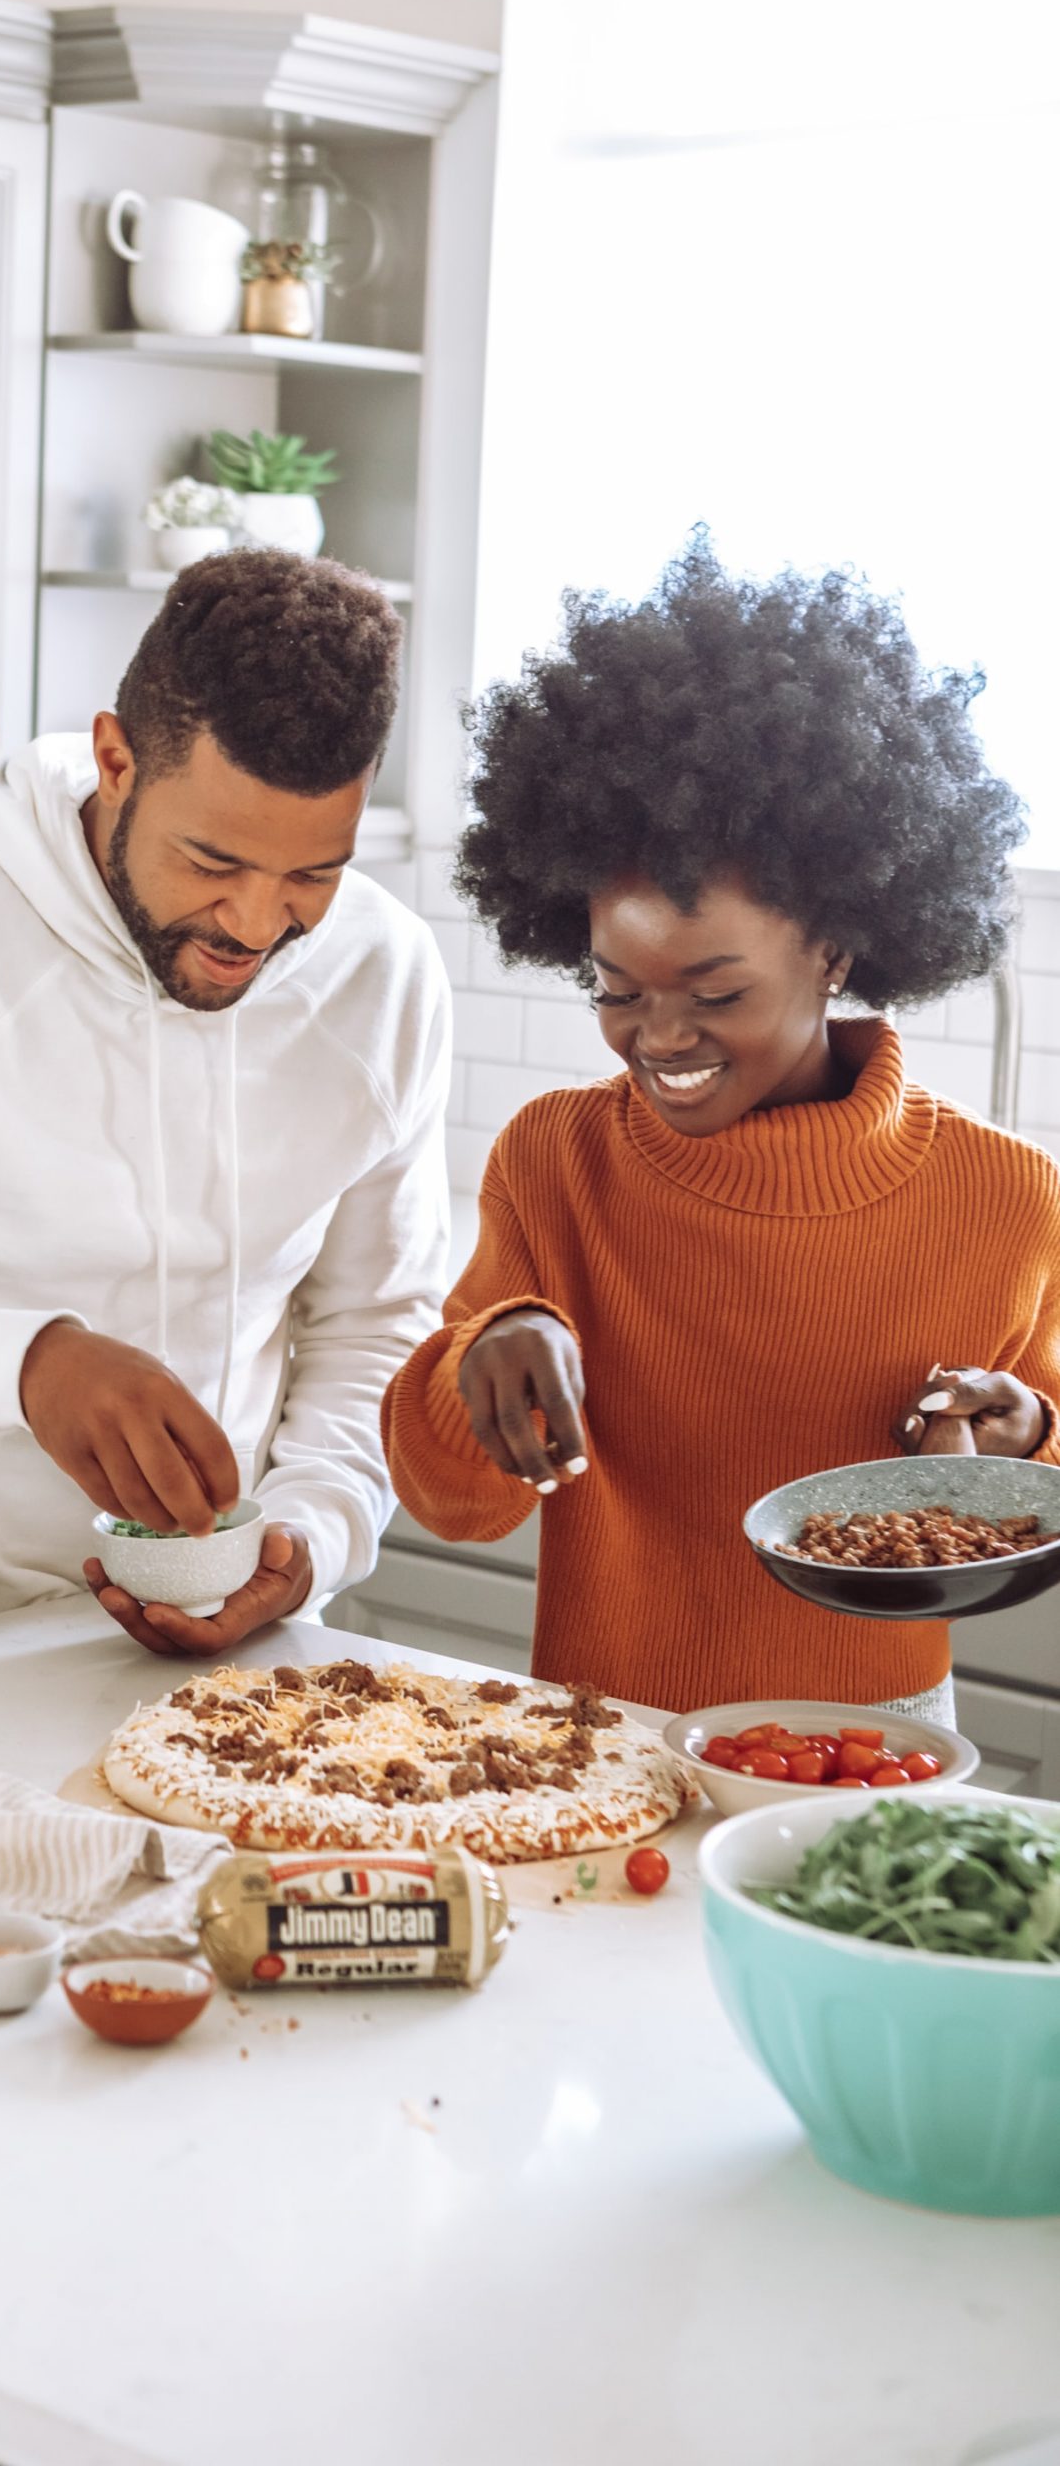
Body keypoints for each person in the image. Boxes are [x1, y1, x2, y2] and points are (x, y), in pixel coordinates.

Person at [383, 537, 1060, 1720]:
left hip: (877, 1747)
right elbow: (454, 1502)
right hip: (602, 1732)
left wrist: (1025, 1434)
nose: (659, 1038)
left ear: (835, 948)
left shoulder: (1009, 1200)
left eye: (715, 992)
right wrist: (484, 1348)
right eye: (616, 989)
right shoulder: (557, 1161)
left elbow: (1037, 1483)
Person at [0, 550, 451, 1654]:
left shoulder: (383, 975)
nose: (255, 925)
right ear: (115, 757)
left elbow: (374, 1326)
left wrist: (306, 1541)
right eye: (212, 858)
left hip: (248, 1648)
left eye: (313, 873)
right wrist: (28, 1367)